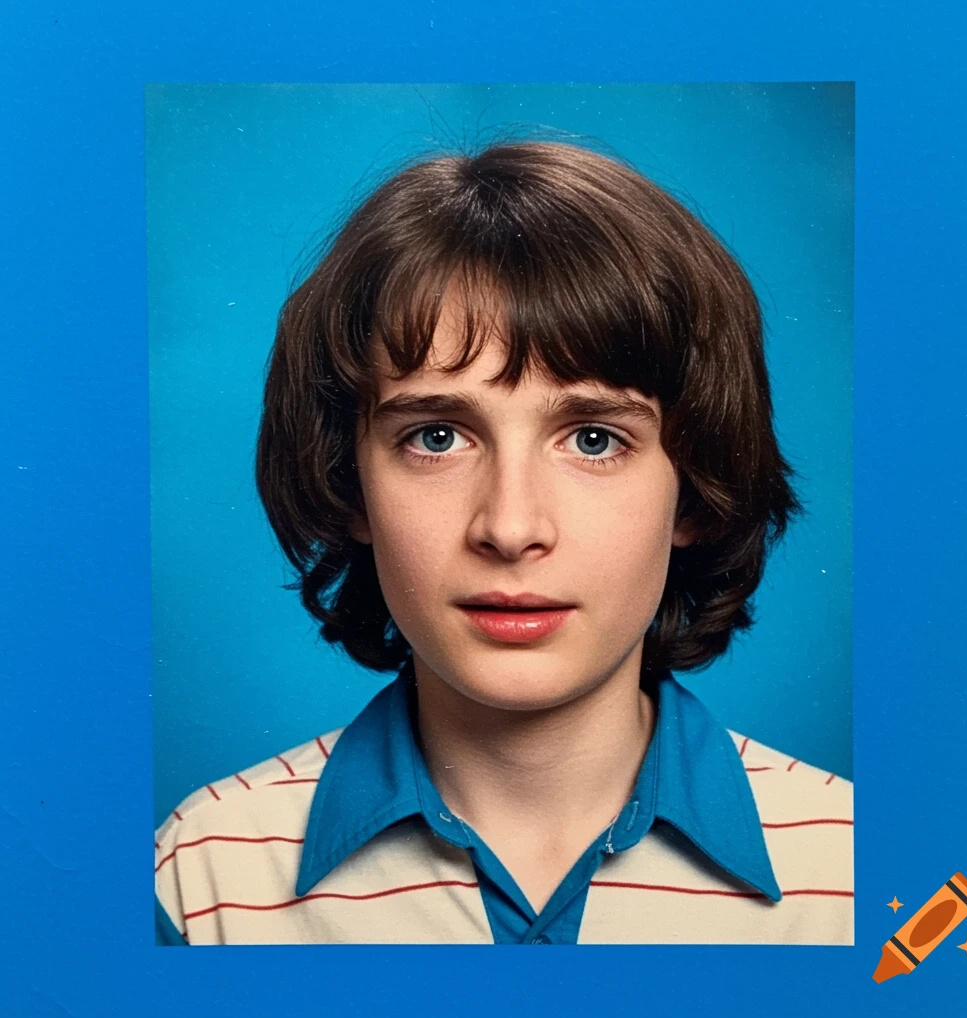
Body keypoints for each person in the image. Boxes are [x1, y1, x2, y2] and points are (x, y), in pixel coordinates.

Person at [155, 139, 853, 945]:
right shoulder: (202, 878)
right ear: (350, 483)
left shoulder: (861, 877)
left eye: (593, 439)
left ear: (693, 490)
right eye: (437, 437)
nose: (512, 528)